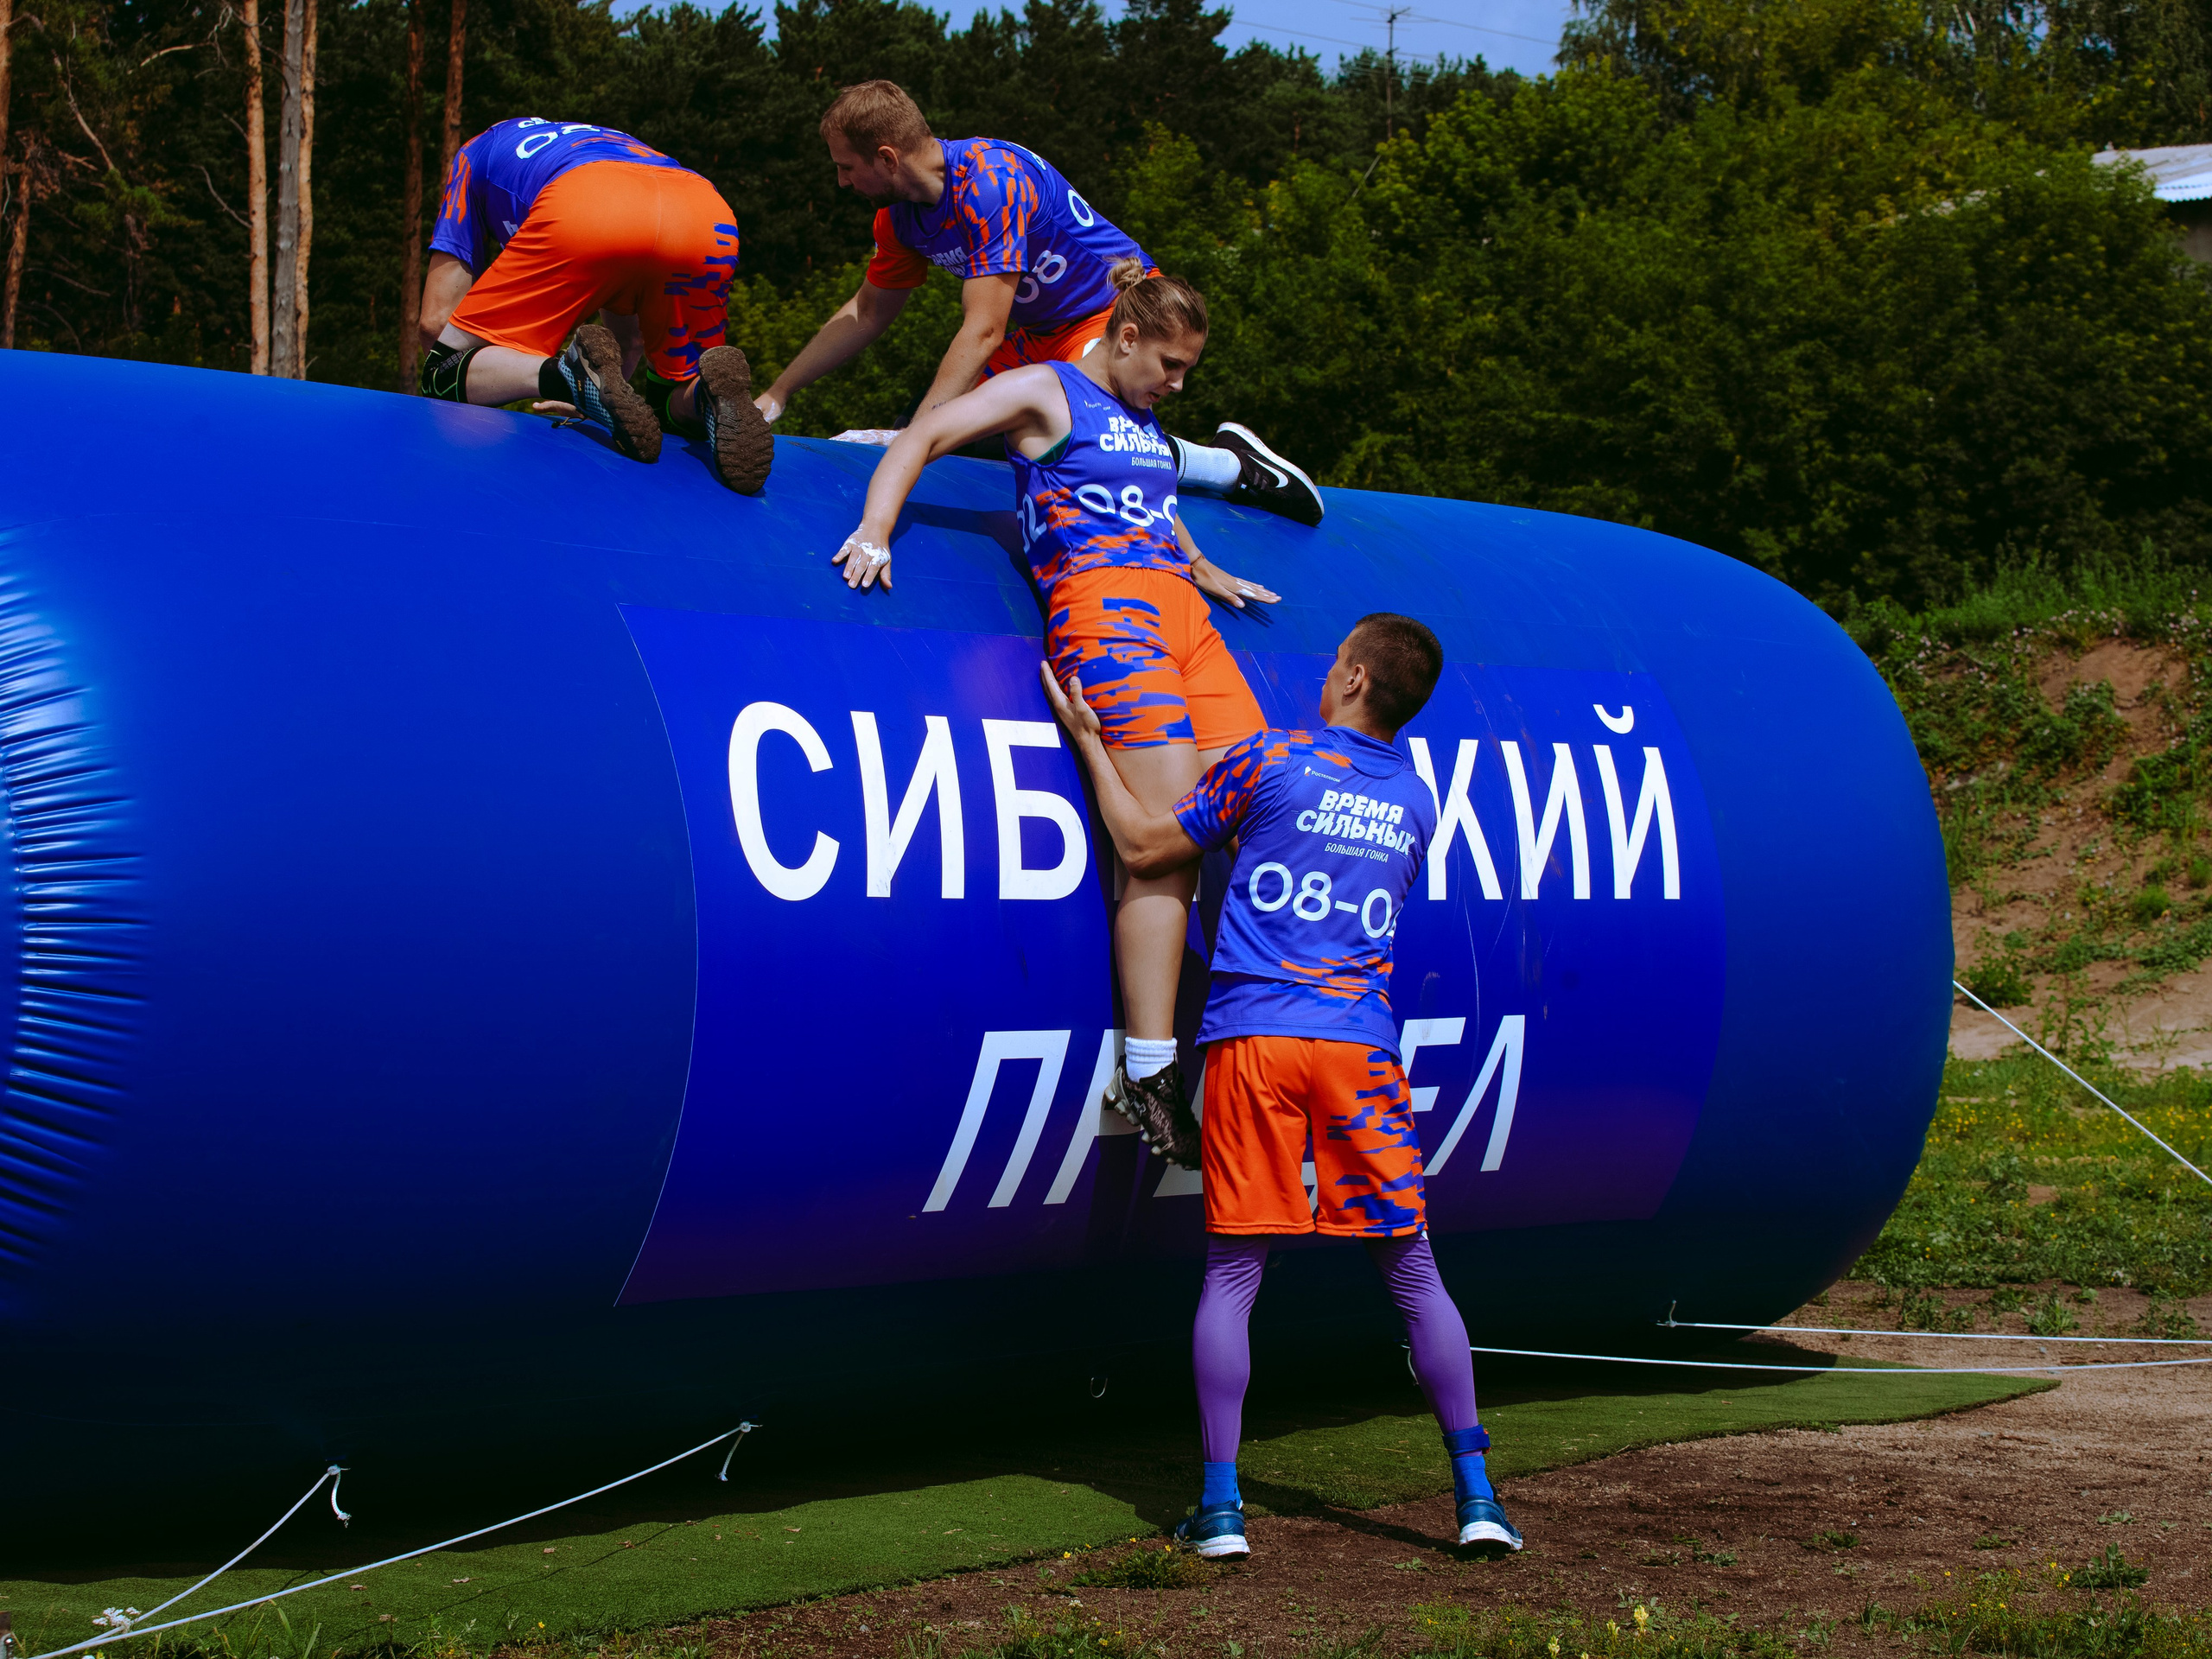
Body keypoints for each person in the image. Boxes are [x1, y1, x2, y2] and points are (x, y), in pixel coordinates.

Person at [1039, 613, 1525, 1560]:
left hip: (1256, 1040)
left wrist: (1093, 742)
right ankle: (1476, 1498)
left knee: (1232, 1275)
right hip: (1358, 1049)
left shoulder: (1270, 760)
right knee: (1414, 1273)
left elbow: (1144, 850)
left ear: (1349, 677)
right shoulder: (1420, 803)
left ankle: (1221, 1511)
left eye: (1334, 659)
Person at [829, 264, 1274, 1168]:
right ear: (1122, 338)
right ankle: (1148, 1072)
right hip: (1105, 614)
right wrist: (876, 527)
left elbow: (1150, 503)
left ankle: (1264, 1042)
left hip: (1181, 616)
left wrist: (1201, 563)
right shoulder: (1044, 389)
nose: (1178, 384)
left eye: (1188, 368)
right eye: (1171, 363)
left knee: (1263, 814)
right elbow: (924, 435)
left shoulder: (1145, 417)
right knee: (1169, 837)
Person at [754, 80, 1325, 526]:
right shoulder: (899, 218)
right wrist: (779, 392)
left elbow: (982, 332)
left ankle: (1232, 466)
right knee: (941, 428)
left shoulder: (989, 184)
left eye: (846, 167)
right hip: (1038, 329)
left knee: (1073, 439)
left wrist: (912, 439)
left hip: (1112, 312)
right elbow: (868, 312)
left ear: (885, 158)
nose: (841, 182)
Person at [417, 117, 775, 494]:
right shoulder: (601, 139)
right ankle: (705, 394)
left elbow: (434, 321)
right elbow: (629, 340)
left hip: (587, 199)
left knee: (441, 370)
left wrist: (450, 415)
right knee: (672, 388)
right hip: (704, 211)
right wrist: (599, 398)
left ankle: (566, 374)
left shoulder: (475, 153)